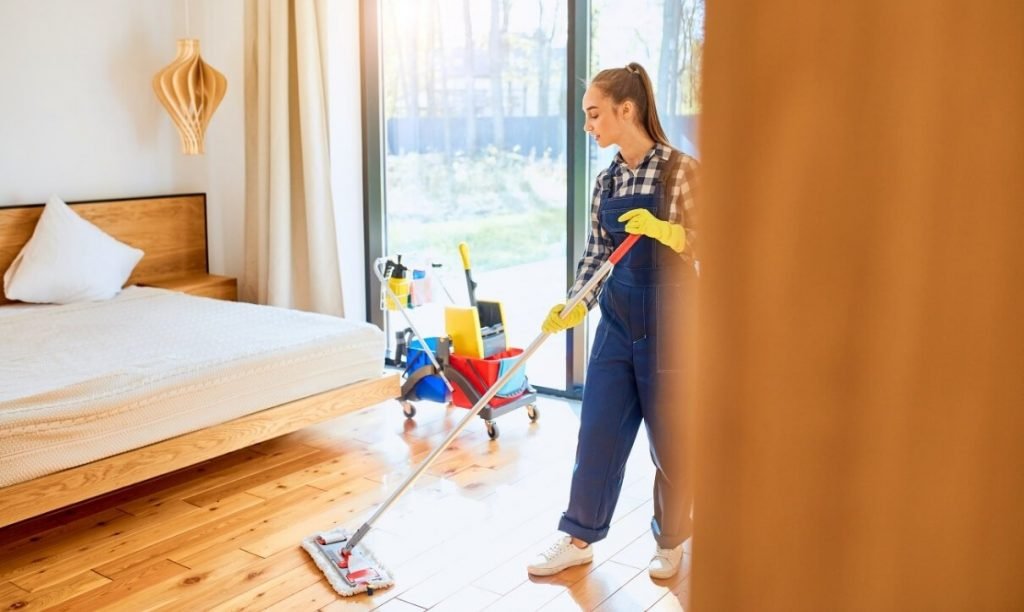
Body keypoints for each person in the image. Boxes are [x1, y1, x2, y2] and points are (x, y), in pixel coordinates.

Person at [527, 62, 699, 580]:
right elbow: (596, 255)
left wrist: (669, 233)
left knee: (671, 438)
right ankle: (579, 535)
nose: (588, 126)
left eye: (594, 114)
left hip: (671, 324)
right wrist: (575, 301)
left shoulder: (680, 170)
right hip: (618, 322)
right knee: (597, 429)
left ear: (627, 110)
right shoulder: (607, 181)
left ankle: (671, 541)